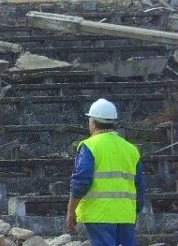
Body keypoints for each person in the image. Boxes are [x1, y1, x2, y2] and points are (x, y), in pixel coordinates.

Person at [66, 98, 145, 246]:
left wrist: (71, 211)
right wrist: (135, 210)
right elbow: (139, 186)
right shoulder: (131, 149)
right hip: (126, 215)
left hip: (99, 215)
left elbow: (81, 182)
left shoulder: (90, 146)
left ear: (93, 123)